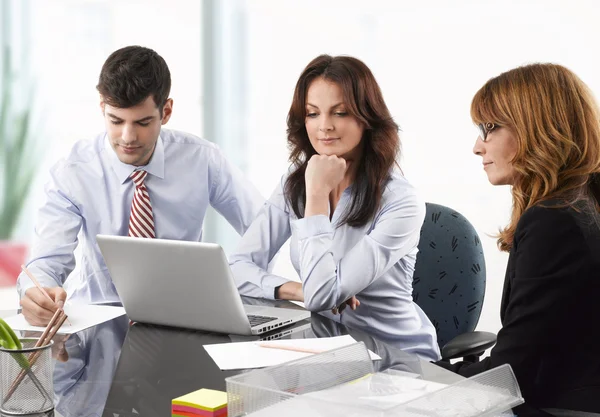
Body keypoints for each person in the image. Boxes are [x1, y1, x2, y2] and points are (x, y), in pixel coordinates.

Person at [18, 46, 264, 326]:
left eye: (143, 122)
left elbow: (264, 232)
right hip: (98, 321)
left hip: (185, 318)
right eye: (116, 120)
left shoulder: (202, 159)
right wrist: (35, 292)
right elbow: (46, 261)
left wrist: (244, 280)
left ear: (166, 111)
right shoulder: (73, 172)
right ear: (102, 107)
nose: (128, 137)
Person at [229, 54, 440, 361]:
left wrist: (316, 196)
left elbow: (322, 296)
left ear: (367, 118)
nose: (324, 127)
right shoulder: (295, 182)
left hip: (397, 358)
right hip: (330, 348)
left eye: (339, 113)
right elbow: (237, 267)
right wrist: (295, 289)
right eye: (313, 114)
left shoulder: (401, 201)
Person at [436, 63, 600, 414]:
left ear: (535, 127)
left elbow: (512, 372)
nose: (478, 146)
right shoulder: (583, 201)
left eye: (489, 128)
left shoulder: (552, 222)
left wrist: (432, 382)